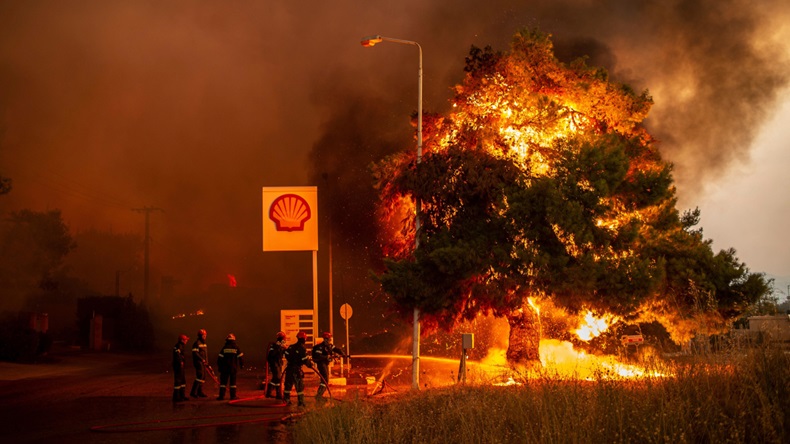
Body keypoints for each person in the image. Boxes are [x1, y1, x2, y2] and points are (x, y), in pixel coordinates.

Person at [311, 331, 346, 401]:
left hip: (325, 364)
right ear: (326, 338)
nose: (329, 340)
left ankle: (319, 395)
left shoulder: (329, 346)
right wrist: (326, 357)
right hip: (321, 364)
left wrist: (343, 354)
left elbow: (336, 349)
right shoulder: (320, 347)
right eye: (328, 339)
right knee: (325, 379)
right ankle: (319, 395)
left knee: (325, 380)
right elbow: (318, 356)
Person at [283, 331, 312, 407]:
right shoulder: (302, 349)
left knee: (288, 385)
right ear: (303, 339)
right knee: (299, 385)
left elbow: (286, 354)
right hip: (296, 370)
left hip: (289, 368)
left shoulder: (291, 347)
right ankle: (301, 402)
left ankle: (286, 400)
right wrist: (310, 365)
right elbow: (305, 360)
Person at [216, 333, 244, 400]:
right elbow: (240, 357)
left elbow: (219, 358)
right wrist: (242, 365)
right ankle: (233, 396)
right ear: (234, 339)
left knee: (223, 383)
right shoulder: (236, 347)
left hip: (224, 368)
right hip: (233, 368)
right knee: (233, 383)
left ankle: (221, 396)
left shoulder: (224, 348)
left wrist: (219, 367)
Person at [265, 331, 287, 399]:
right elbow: (271, 354)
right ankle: (277, 394)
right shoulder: (275, 345)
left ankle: (271, 393)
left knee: (276, 378)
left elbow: (282, 353)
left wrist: (285, 349)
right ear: (281, 338)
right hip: (274, 363)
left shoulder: (280, 345)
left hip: (278, 363)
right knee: (277, 378)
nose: (285, 340)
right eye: (284, 338)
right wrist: (279, 347)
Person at [190, 329, 209, 398]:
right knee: (199, 376)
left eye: (205, 335)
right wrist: (202, 359)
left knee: (203, 377)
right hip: (198, 362)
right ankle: (193, 392)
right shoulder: (196, 343)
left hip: (203, 362)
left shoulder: (204, 343)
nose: (205, 336)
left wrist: (206, 361)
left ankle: (200, 392)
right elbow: (195, 353)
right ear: (200, 336)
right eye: (203, 335)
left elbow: (205, 354)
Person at [172, 334, 190, 403]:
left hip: (180, 366)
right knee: (178, 381)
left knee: (182, 381)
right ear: (182, 340)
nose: (186, 341)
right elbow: (177, 355)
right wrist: (180, 362)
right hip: (178, 366)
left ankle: (182, 396)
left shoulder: (180, 346)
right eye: (186, 340)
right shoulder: (179, 346)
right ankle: (177, 397)